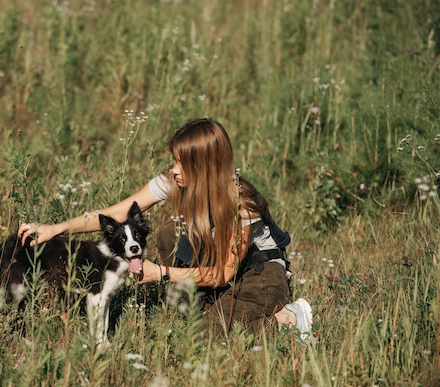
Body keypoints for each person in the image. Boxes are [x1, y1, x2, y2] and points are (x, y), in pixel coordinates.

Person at [18, 118, 312, 340]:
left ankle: (289, 319)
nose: (174, 169)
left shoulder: (240, 204)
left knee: (209, 337)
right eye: (174, 161)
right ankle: (206, 302)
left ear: (205, 167)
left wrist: (160, 273)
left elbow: (224, 272)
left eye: (182, 163)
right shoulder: (176, 181)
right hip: (218, 269)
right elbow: (118, 213)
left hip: (259, 273)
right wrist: (56, 229)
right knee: (169, 233)